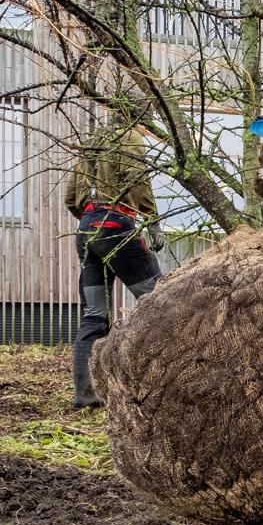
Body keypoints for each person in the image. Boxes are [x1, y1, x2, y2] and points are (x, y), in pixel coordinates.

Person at [65, 116, 162, 409]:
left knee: (94, 315)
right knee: (160, 302)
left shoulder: (92, 143)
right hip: (116, 226)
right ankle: (157, 382)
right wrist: (153, 221)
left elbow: (71, 197)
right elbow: (138, 180)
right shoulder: (129, 137)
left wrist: (90, 218)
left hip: (86, 229)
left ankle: (85, 394)